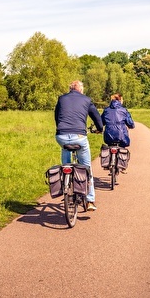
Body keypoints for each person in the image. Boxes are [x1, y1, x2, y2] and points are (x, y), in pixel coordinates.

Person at [54, 80, 103, 211]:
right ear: (81, 90)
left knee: (66, 150)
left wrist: (60, 129)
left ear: (70, 89)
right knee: (87, 168)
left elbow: (57, 116)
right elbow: (97, 117)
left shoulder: (61, 98)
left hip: (61, 135)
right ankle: (90, 200)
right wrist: (100, 129)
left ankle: (66, 180)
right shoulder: (86, 100)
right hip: (79, 137)